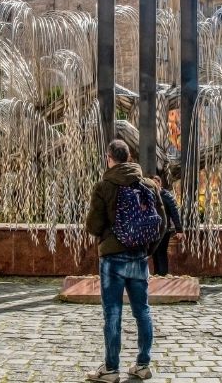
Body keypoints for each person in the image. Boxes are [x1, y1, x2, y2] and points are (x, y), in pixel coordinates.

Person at [84, 139, 165, 382]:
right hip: (139, 257)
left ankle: (110, 369)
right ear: (129, 157)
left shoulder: (104, 186)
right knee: (143, 311)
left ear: (110, 158)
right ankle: (143, 364)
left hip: (112, 259)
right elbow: (161, 223)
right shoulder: (149, 185)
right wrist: (147, 249)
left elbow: (93, 225)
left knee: (113, 313)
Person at [150, 175, 184, 277]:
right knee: (155, 253)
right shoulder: (150, 195)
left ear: (160, 183)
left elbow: (174, 213)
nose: (154, 185)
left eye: (156, 183)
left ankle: (163, 274)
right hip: (153, 230)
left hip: (165, 229)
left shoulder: (166, 196)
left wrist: (179, 230)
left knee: (161, 252)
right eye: (152, 183)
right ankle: (157, 274)